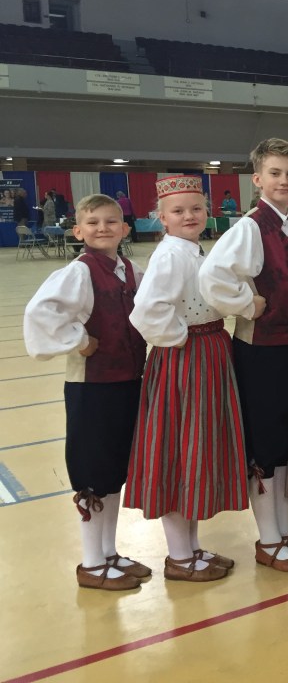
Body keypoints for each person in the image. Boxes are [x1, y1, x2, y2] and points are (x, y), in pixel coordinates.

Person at [199, 138, 288, 573]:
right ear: (257, 179)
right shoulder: (250, 227)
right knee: (264, 444)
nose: (284, 180)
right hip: (259, 351)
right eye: (275, 173)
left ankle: (283, 532)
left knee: (285, 443)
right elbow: (212, 276)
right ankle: (267, 540)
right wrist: (248, 305)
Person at [125, 175, 248, 582]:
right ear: (161, 217)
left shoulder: (194, 251)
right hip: (187, 356)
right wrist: (181, 338)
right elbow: (146, 311)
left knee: (197, 448)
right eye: (178, 211)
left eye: (196, 208)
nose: (189, 216)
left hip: (207, 350)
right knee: (181, 449)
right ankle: (179, 555)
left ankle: (190, 548)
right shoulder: (170, 256)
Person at [24, 194, 149, 591]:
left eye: (111, 222)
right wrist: (78, 340)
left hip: (126, 382)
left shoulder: (130, 269)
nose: (102, 229)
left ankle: (109, 552)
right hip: (92, 386)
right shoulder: (79, 272)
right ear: (77, 231)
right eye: (93, 222)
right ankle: (92, 562)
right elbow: (40, 312)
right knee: (93, 473)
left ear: (125, 229)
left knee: (113, 472)